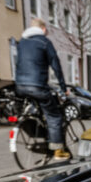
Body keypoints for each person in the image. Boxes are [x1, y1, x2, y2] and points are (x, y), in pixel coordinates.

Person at [15, 18, 70, 159]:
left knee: (38, 109)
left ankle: (42, 135)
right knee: (54, 116)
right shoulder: (44, 42)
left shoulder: (22, 42)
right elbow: (56, 66)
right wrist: (64, 88)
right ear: (43, 29)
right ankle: (58, 150)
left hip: (20, 86)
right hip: (37, 86)